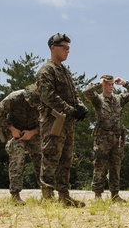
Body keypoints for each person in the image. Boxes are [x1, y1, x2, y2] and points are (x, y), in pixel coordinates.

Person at [32, 33, 88, 208]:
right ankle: (47, 196)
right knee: (50, 158)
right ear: (53, 48)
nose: (67, 51)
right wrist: (71, 110)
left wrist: (80, 106)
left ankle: (64, 196)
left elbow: (74, 92)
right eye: (64, 47)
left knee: (66, 159)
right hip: (53, 121)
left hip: (67, 122)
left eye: (68, 48)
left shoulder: (65, 71)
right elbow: (48, 96)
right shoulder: (46, 70)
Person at [82, 74, 129, 202]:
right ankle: (97, 195)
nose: (110, 86)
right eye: (107, 84)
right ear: (103, 85)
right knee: (99, 166)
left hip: (117, 138)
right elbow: (86, 92)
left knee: (115, 167)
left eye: (112, 84)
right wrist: (99, 83)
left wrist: (125, 83)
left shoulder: (119, 99)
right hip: (102, 138)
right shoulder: (98, 99)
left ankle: (115, 195)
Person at [0, 86, 43, 205]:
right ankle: (15, 195)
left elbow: (48, 122)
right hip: (15, 132)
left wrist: (33, 132)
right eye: (31, 103)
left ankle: (46, 193)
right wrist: (11, 128)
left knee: (42, 159)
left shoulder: (44, 101)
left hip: (34, 132)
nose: (32, 106)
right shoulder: (14, 98)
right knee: (17, 156)